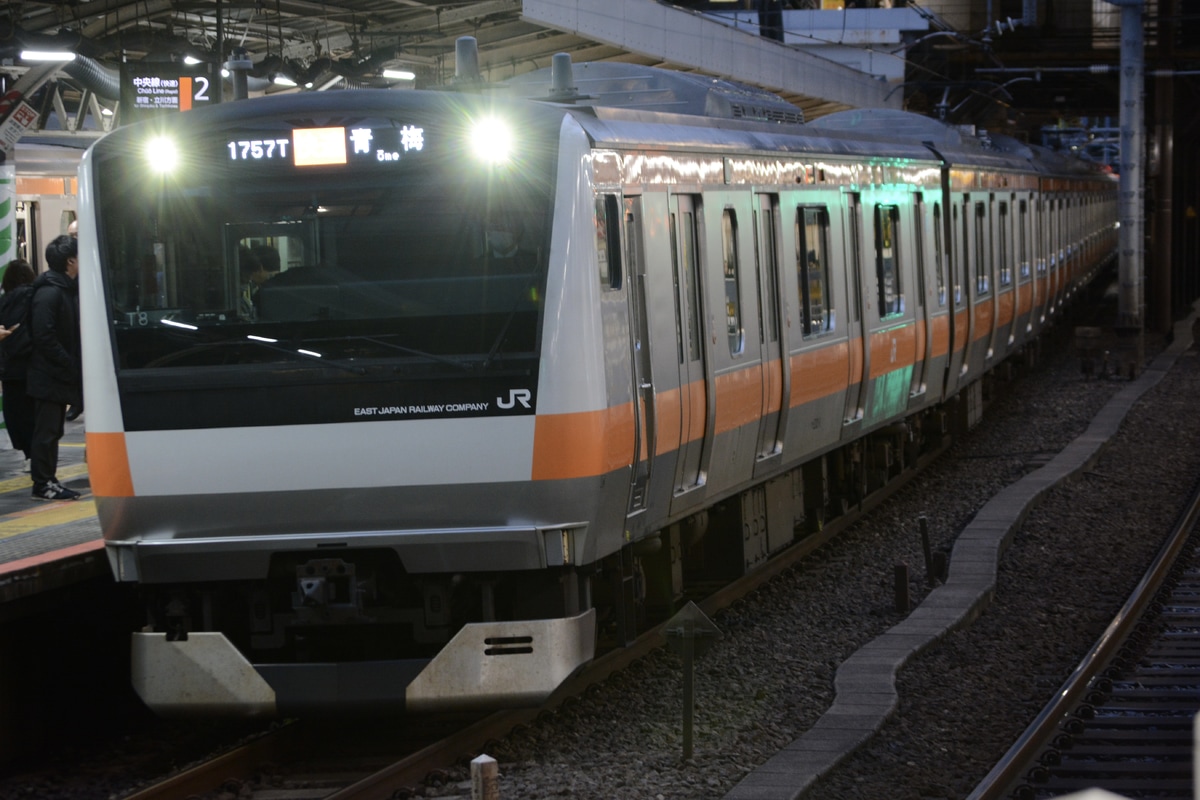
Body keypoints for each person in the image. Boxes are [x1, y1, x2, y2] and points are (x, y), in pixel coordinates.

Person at [27, 235, 82, 501]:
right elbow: (44, 336)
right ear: (70, 260)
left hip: (56, 374)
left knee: (54, 431)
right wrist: (68, 362)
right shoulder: (50, 292)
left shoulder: (66, 289)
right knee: (47, 432)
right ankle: (43, 483)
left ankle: (49, 479)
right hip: (48, 375)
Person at [0, 259, 37, 472]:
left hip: (9, 367)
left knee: (15, 411)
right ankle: (34, 455)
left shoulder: (4, 302)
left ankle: (26, 453)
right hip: (32, 365)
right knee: (34, 411)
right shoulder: (34, 297)